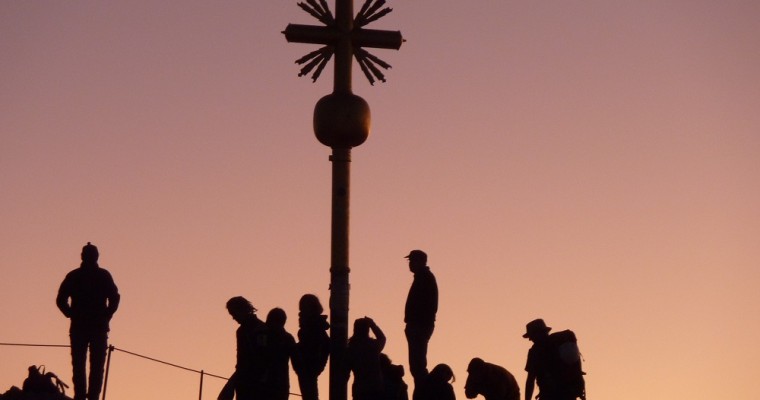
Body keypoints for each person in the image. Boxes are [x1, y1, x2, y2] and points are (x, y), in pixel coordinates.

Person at [56, 242, 120, 400]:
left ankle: (85, 396)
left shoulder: (76, 276)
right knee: (89, 366)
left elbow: (115, 298)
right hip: (90, 327)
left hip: (86, 327)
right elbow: (115, 298)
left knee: (84, 365)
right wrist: (106, 315)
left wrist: (71, 314)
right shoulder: (100, 275)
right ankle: (89, 397)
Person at [218, 296, 268, 400]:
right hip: (245, 379)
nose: (233, 317)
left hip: (256, 381)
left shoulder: (259, 329)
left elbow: (263, 355)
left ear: (241, 310)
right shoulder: (243, 331)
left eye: (234, 313)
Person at [403, 249, 438, 390]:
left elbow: (429, 305)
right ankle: (423, 390)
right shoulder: (422, 277)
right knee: (417, 365)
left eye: (412, 260)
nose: (410, 264)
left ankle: (424, 392)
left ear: (421, 262)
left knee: (418, 365)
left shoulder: (425, 278)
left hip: (419, 326)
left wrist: (417, 325)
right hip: (417, 326)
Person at [293, 294, 330, 400]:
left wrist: (295, 349)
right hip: (308, 364)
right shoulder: (314, 324)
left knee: (310, 393)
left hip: (309, 364)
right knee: (309, 393)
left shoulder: (314, 325)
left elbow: (319, 345)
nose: (300, 312)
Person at [346, 317, 387, 400]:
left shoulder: (351, 348)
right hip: (375, 388)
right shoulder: (373, 346)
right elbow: (382, 338)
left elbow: (345, 372)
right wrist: (372, 324)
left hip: (359, 389)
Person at [265, 308, 296, 400]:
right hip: (280, 383)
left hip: (273, 383)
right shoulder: (288, 338)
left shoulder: (262, 334)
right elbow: (297, 362)